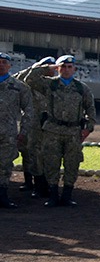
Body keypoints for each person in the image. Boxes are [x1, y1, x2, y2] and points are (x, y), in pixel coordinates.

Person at [25, 54, 96, 207]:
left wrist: (88, 128)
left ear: (74, 69)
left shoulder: (81, 88)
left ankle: (67, 196)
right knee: (51, 163)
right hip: (52, 131)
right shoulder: (50, 85)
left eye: (69, 67)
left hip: (73, 132)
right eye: (63, 66)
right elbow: (29, 79)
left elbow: (90, 109)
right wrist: (48, 67)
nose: (66, 70)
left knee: (72, 164)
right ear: (58, 68)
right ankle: (53, 196)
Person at [15, 57, 52, 198]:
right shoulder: (29, 81)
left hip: (45, 123)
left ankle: (41, 185)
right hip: (30, 122)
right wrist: (35, 68)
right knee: (27, 151)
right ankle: (29, 182)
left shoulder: (51, 84)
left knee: (42, 153)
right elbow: (18, 78)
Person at [0, 52, 33, 208]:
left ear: (9, 66)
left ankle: (2, 195)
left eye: (4, 62)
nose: (1, 65)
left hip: (8, 133)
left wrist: (24, 131)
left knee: (5, 165)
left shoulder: (19, 87)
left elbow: (29, 110)